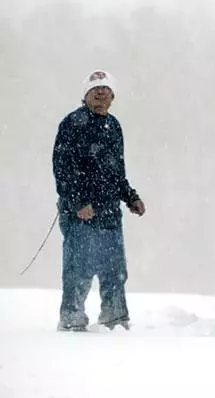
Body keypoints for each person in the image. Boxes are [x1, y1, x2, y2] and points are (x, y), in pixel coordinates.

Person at [52, 70, 145, 332]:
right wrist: (79, 202)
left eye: (106, 91)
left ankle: (114, 320)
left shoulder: (113, 126)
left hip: (109, 214)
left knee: (114, 272)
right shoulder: (72, 124)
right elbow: (62, 169)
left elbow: (117, 171)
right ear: (86, 96)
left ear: (113, 96)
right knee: (78, 272)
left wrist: (131, 197)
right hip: (80, 214)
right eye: (96, 91)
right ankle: (72, 322)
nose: (101, 95)